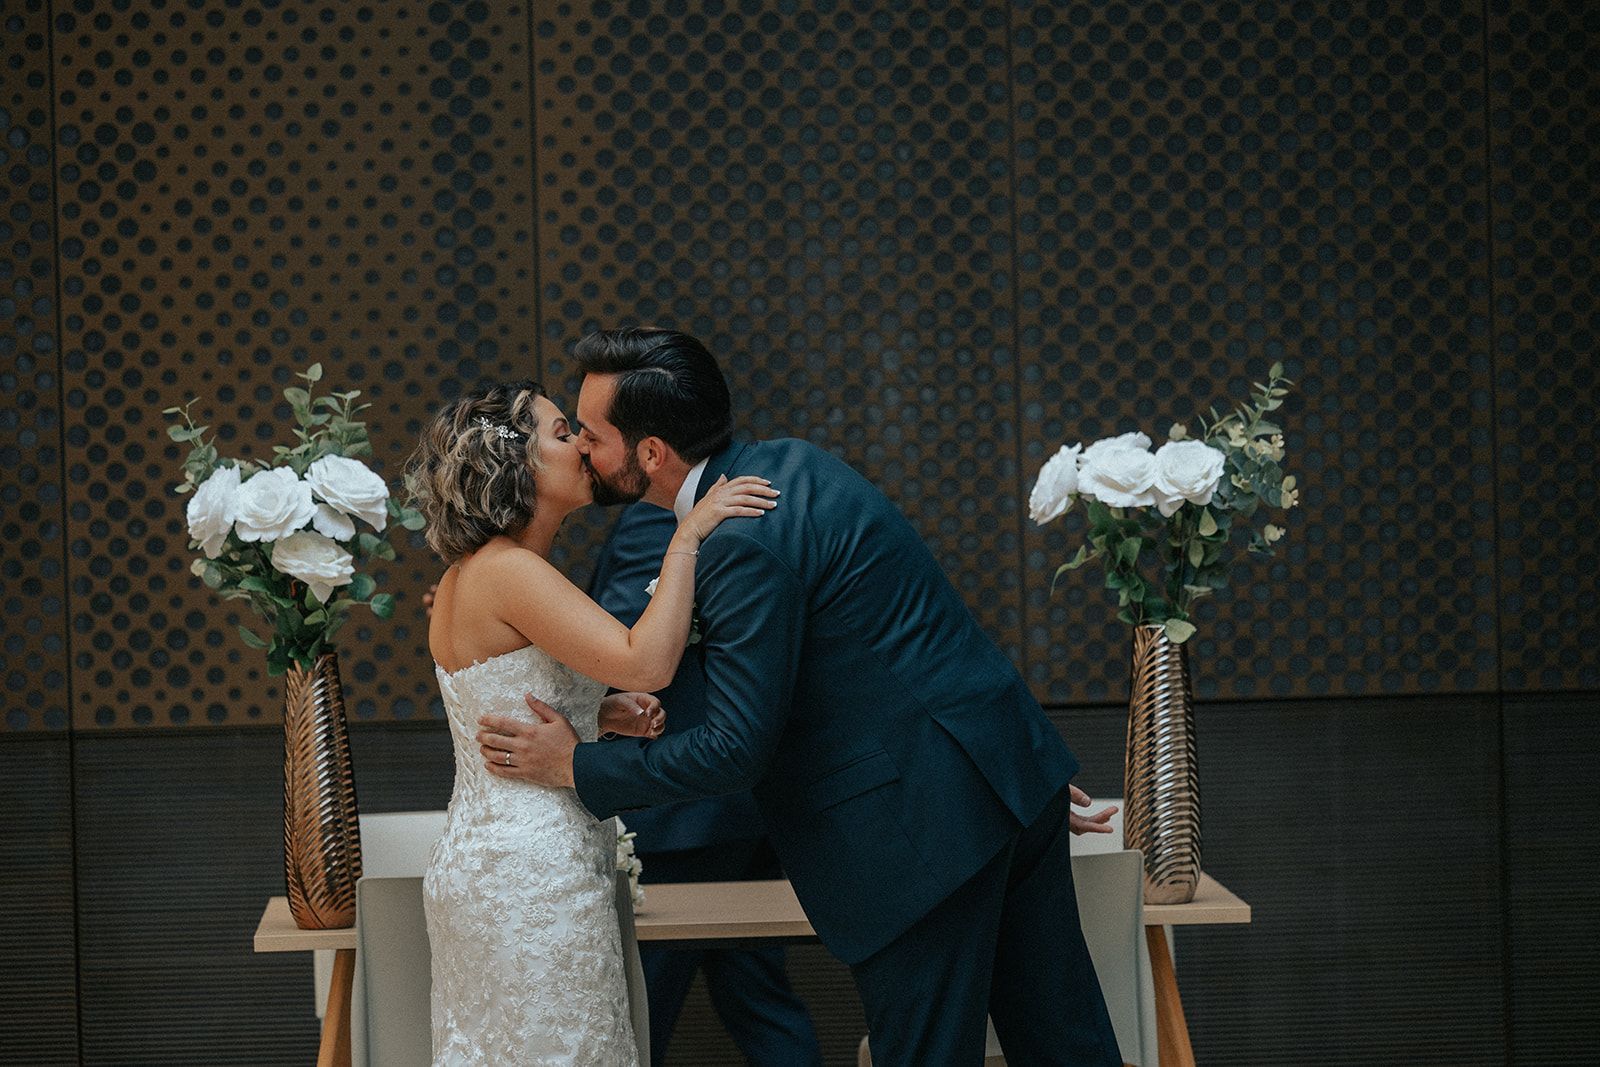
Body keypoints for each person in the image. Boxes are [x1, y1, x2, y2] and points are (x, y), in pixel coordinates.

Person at [476, 329, 1124, 1066]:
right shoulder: (793, 461)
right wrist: (994, 756)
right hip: (1006, 776)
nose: (584, 450)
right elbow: (900, 628)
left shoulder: (739, 537)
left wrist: (577, 766)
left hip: (924, 825)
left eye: (590, 435)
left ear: (649, 454)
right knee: (1067, 1043)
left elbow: (735, 747)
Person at [405, 379, 779, 1066]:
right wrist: (688, 535)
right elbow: (647, 661)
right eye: (560, 432)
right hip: (532, 869)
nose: (580, 442)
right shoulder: (512, 570)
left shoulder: (477, 571)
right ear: (516, 466)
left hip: (492, 859)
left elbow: (504, 698)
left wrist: (596, 713)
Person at [589, 501, 822, 1066]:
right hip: (740, 804)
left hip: (679, 816)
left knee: (642, 1011)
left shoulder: (655, 520)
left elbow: (619, 645)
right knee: (758, 998)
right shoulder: (743, 510)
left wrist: (509, 638)